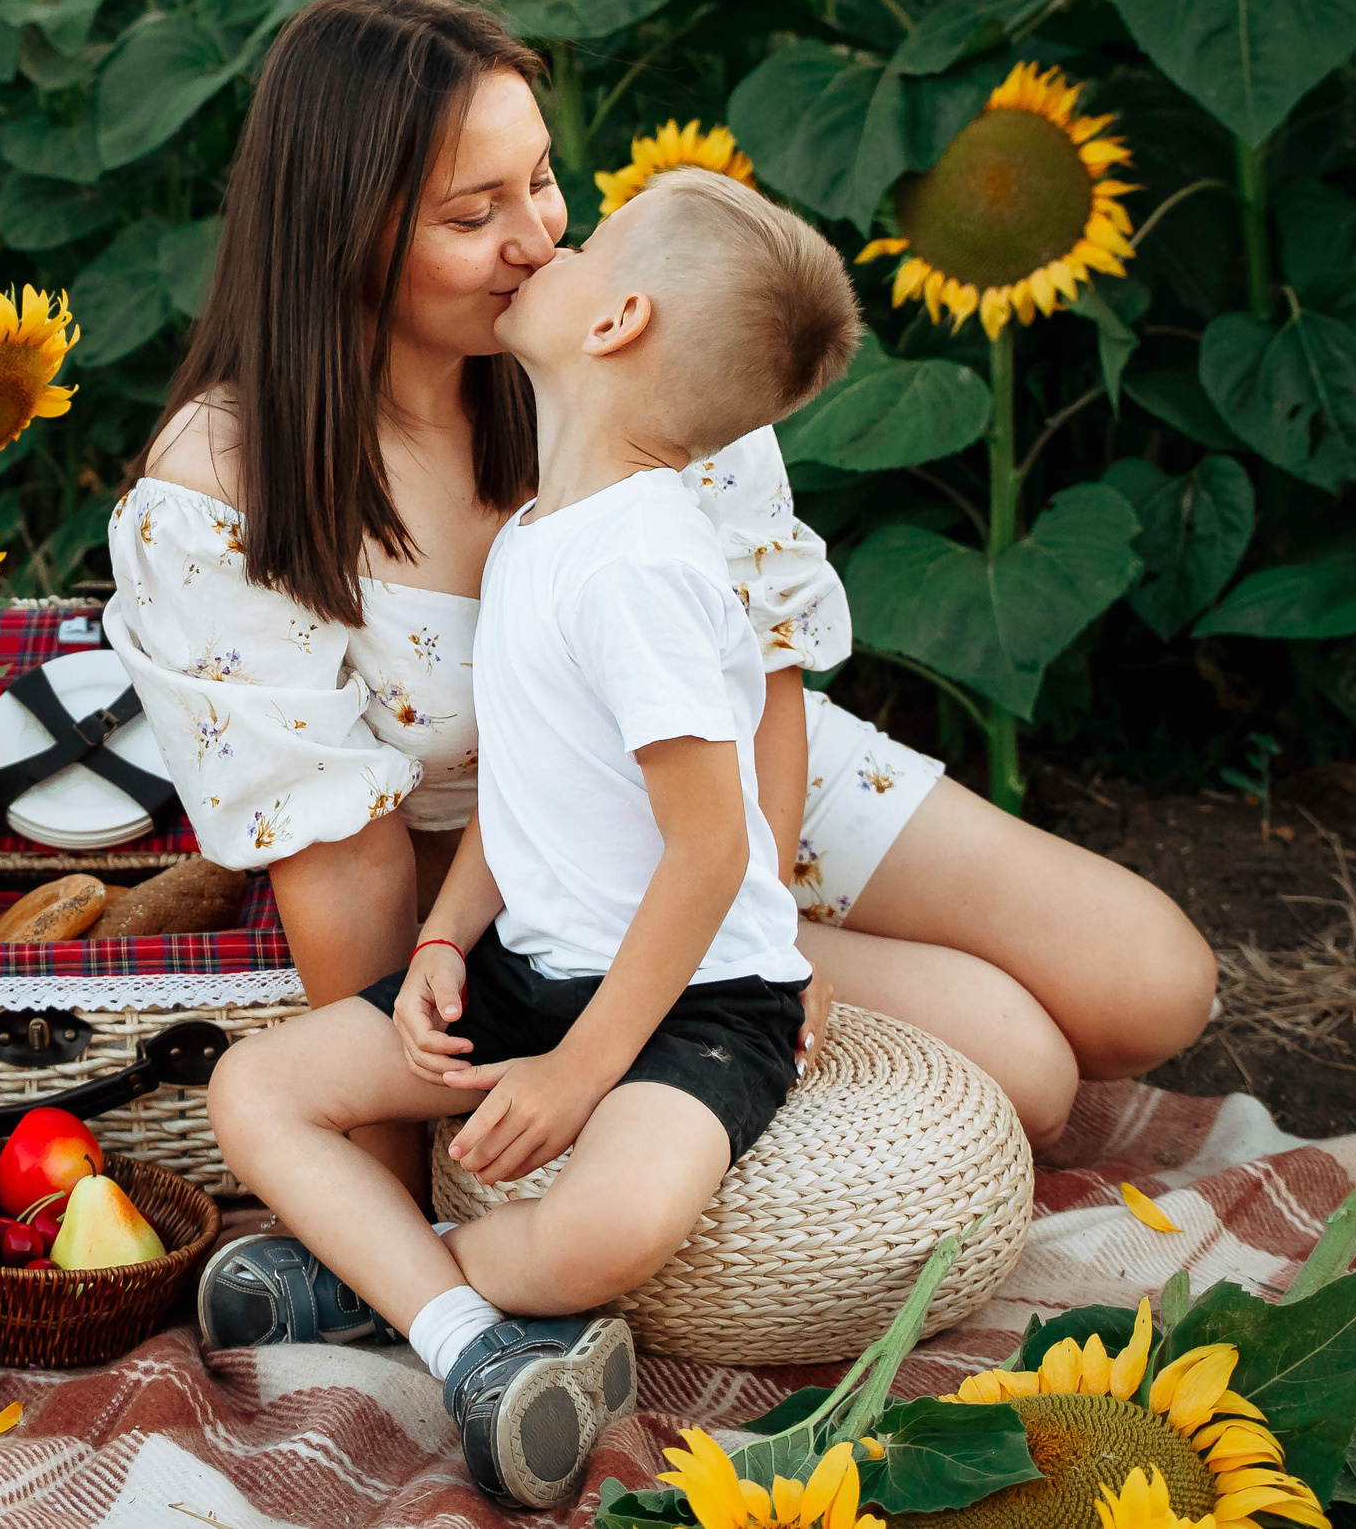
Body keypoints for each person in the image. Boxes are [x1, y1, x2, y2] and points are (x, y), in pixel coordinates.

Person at [102, 0, 1214, 1170]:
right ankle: (722, 1023)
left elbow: (768, 672)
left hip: (734, 778)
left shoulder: (631, 348)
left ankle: (755, 989)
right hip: (545, 870)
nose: (539, 242)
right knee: (1026, 1076)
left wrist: (757, 947)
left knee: (1155, 985)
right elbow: (342, 856)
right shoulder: (225, 489)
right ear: (339, 230)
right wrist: (396, 1161)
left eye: (540, 179)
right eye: (473, 213)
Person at [202, 168, 864, 1508]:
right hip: (531, 960)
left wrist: (577, 1070)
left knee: (612, 1224)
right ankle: (473, 1341)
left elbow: (708, 852)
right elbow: (525, 791)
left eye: (586, 242)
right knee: (255, 1089)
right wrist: (447, 936)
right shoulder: (543, 537)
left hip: (698, 1000)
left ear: (616, 321)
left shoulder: (642, 568)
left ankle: (395, 1291)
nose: (543, 246)